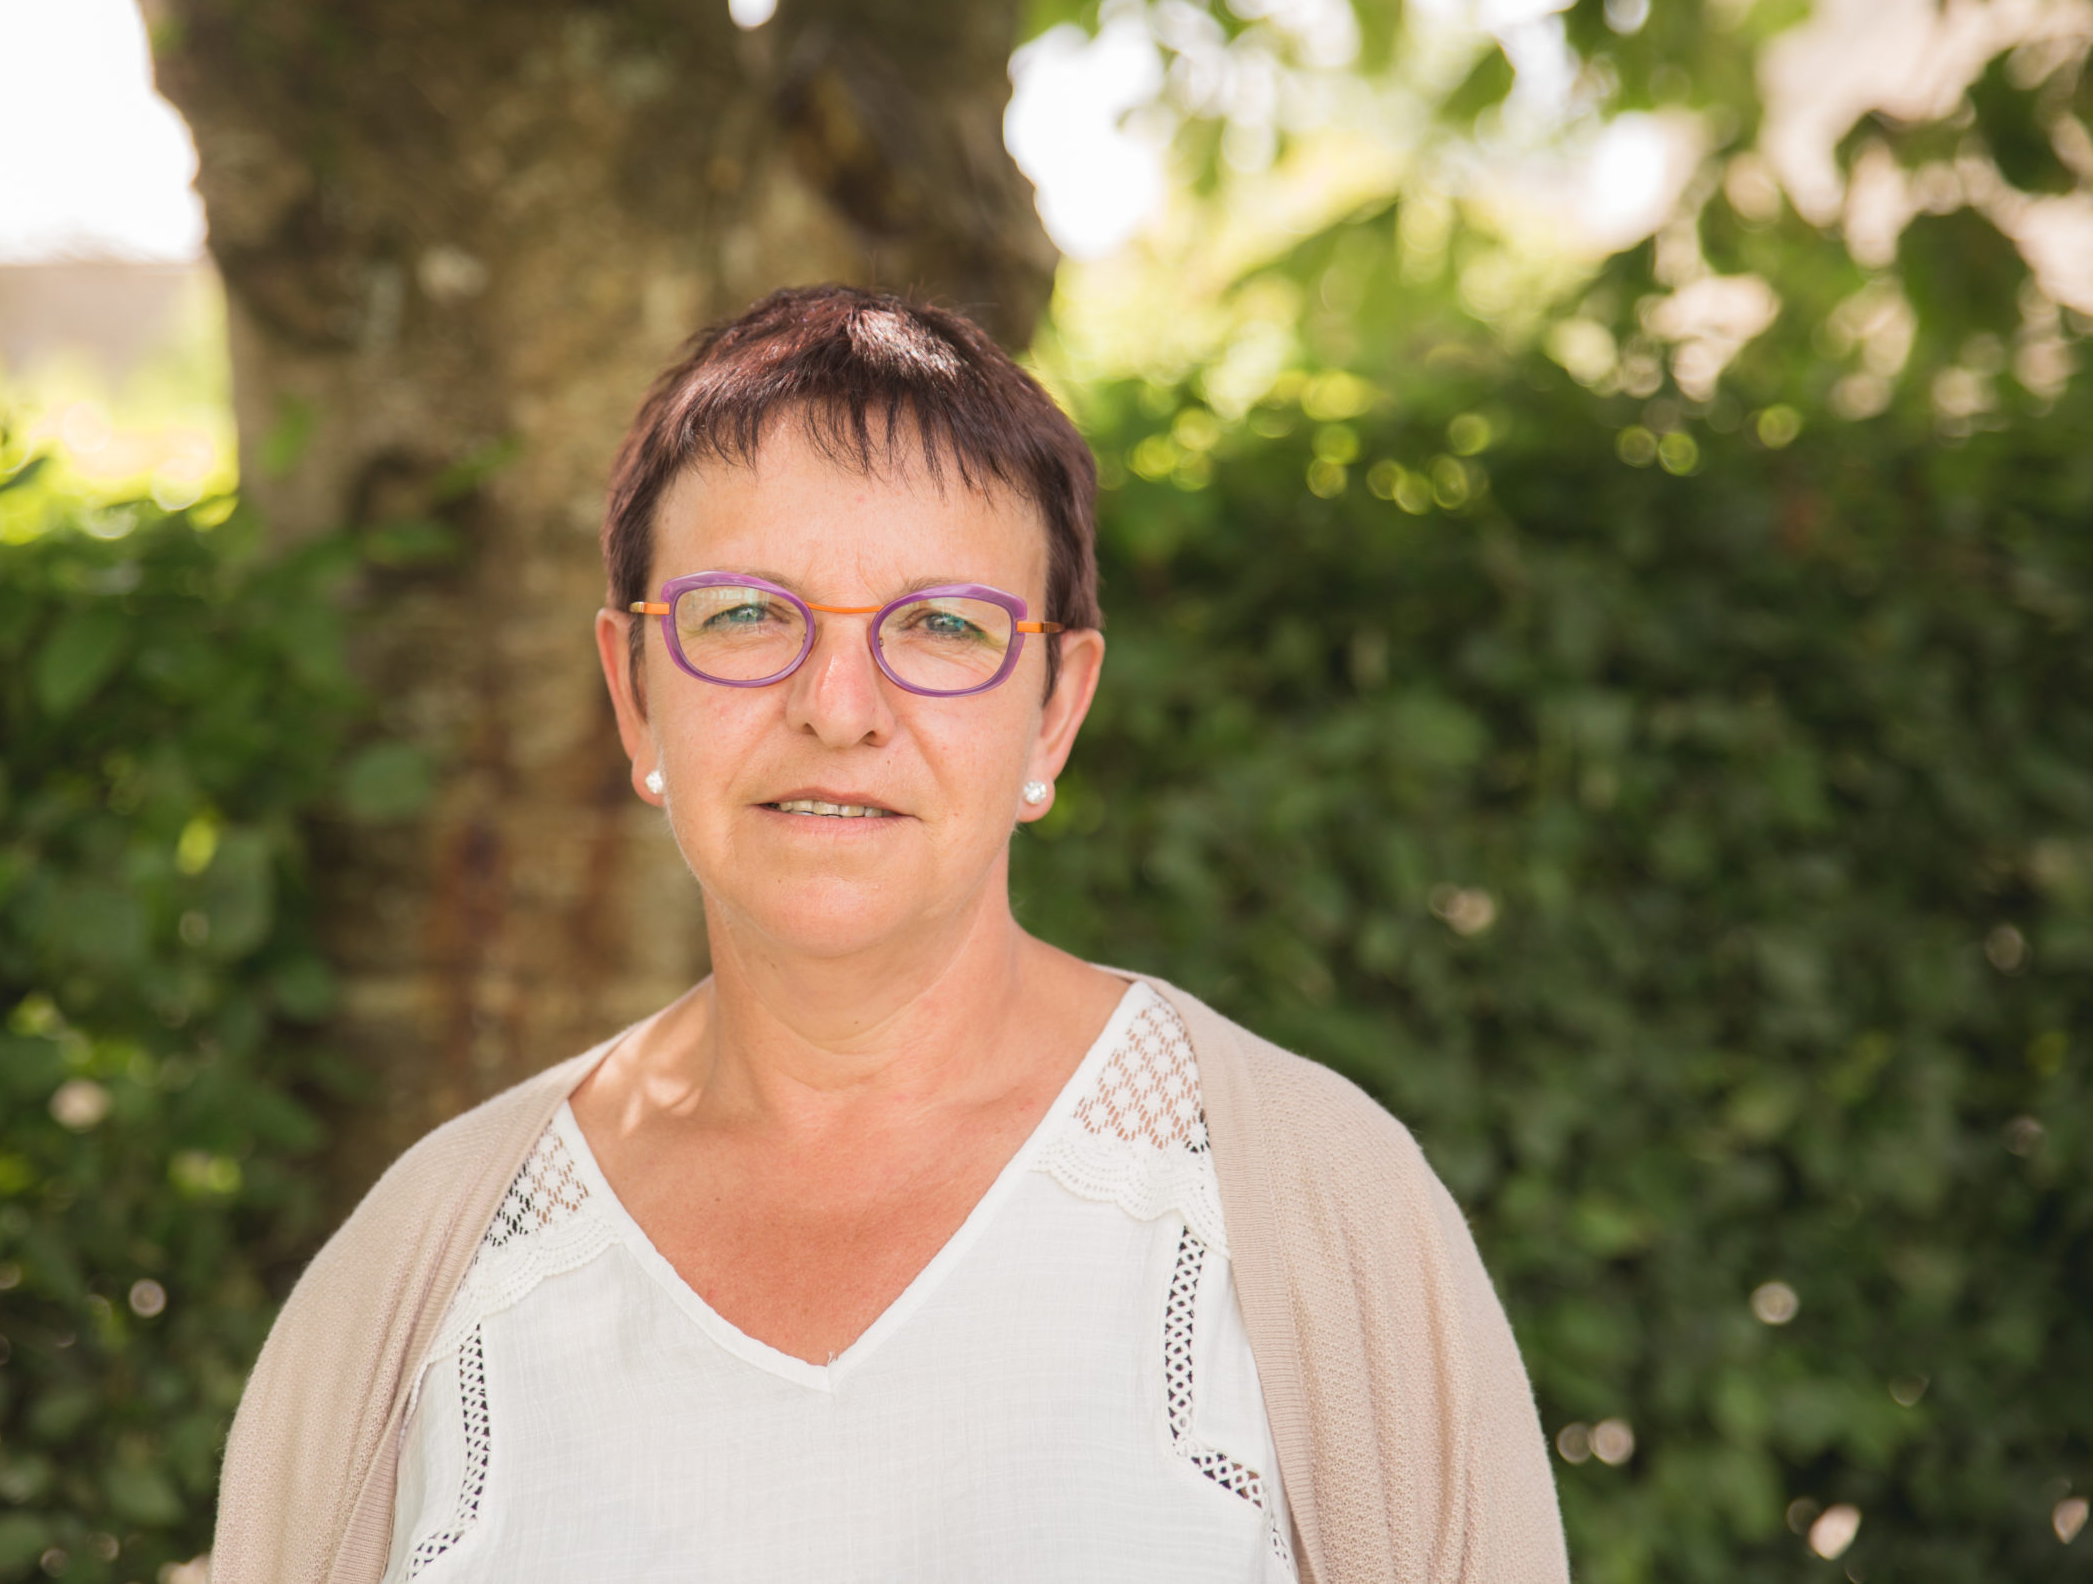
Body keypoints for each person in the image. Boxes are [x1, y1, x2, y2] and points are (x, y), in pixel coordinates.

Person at [211, 287, 1568, 1584]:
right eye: (747, 614)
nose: (840, 708)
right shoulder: (426, 1273)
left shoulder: (1314, 1209)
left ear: (1054, 711)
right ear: (633, 691)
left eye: (941, 625)